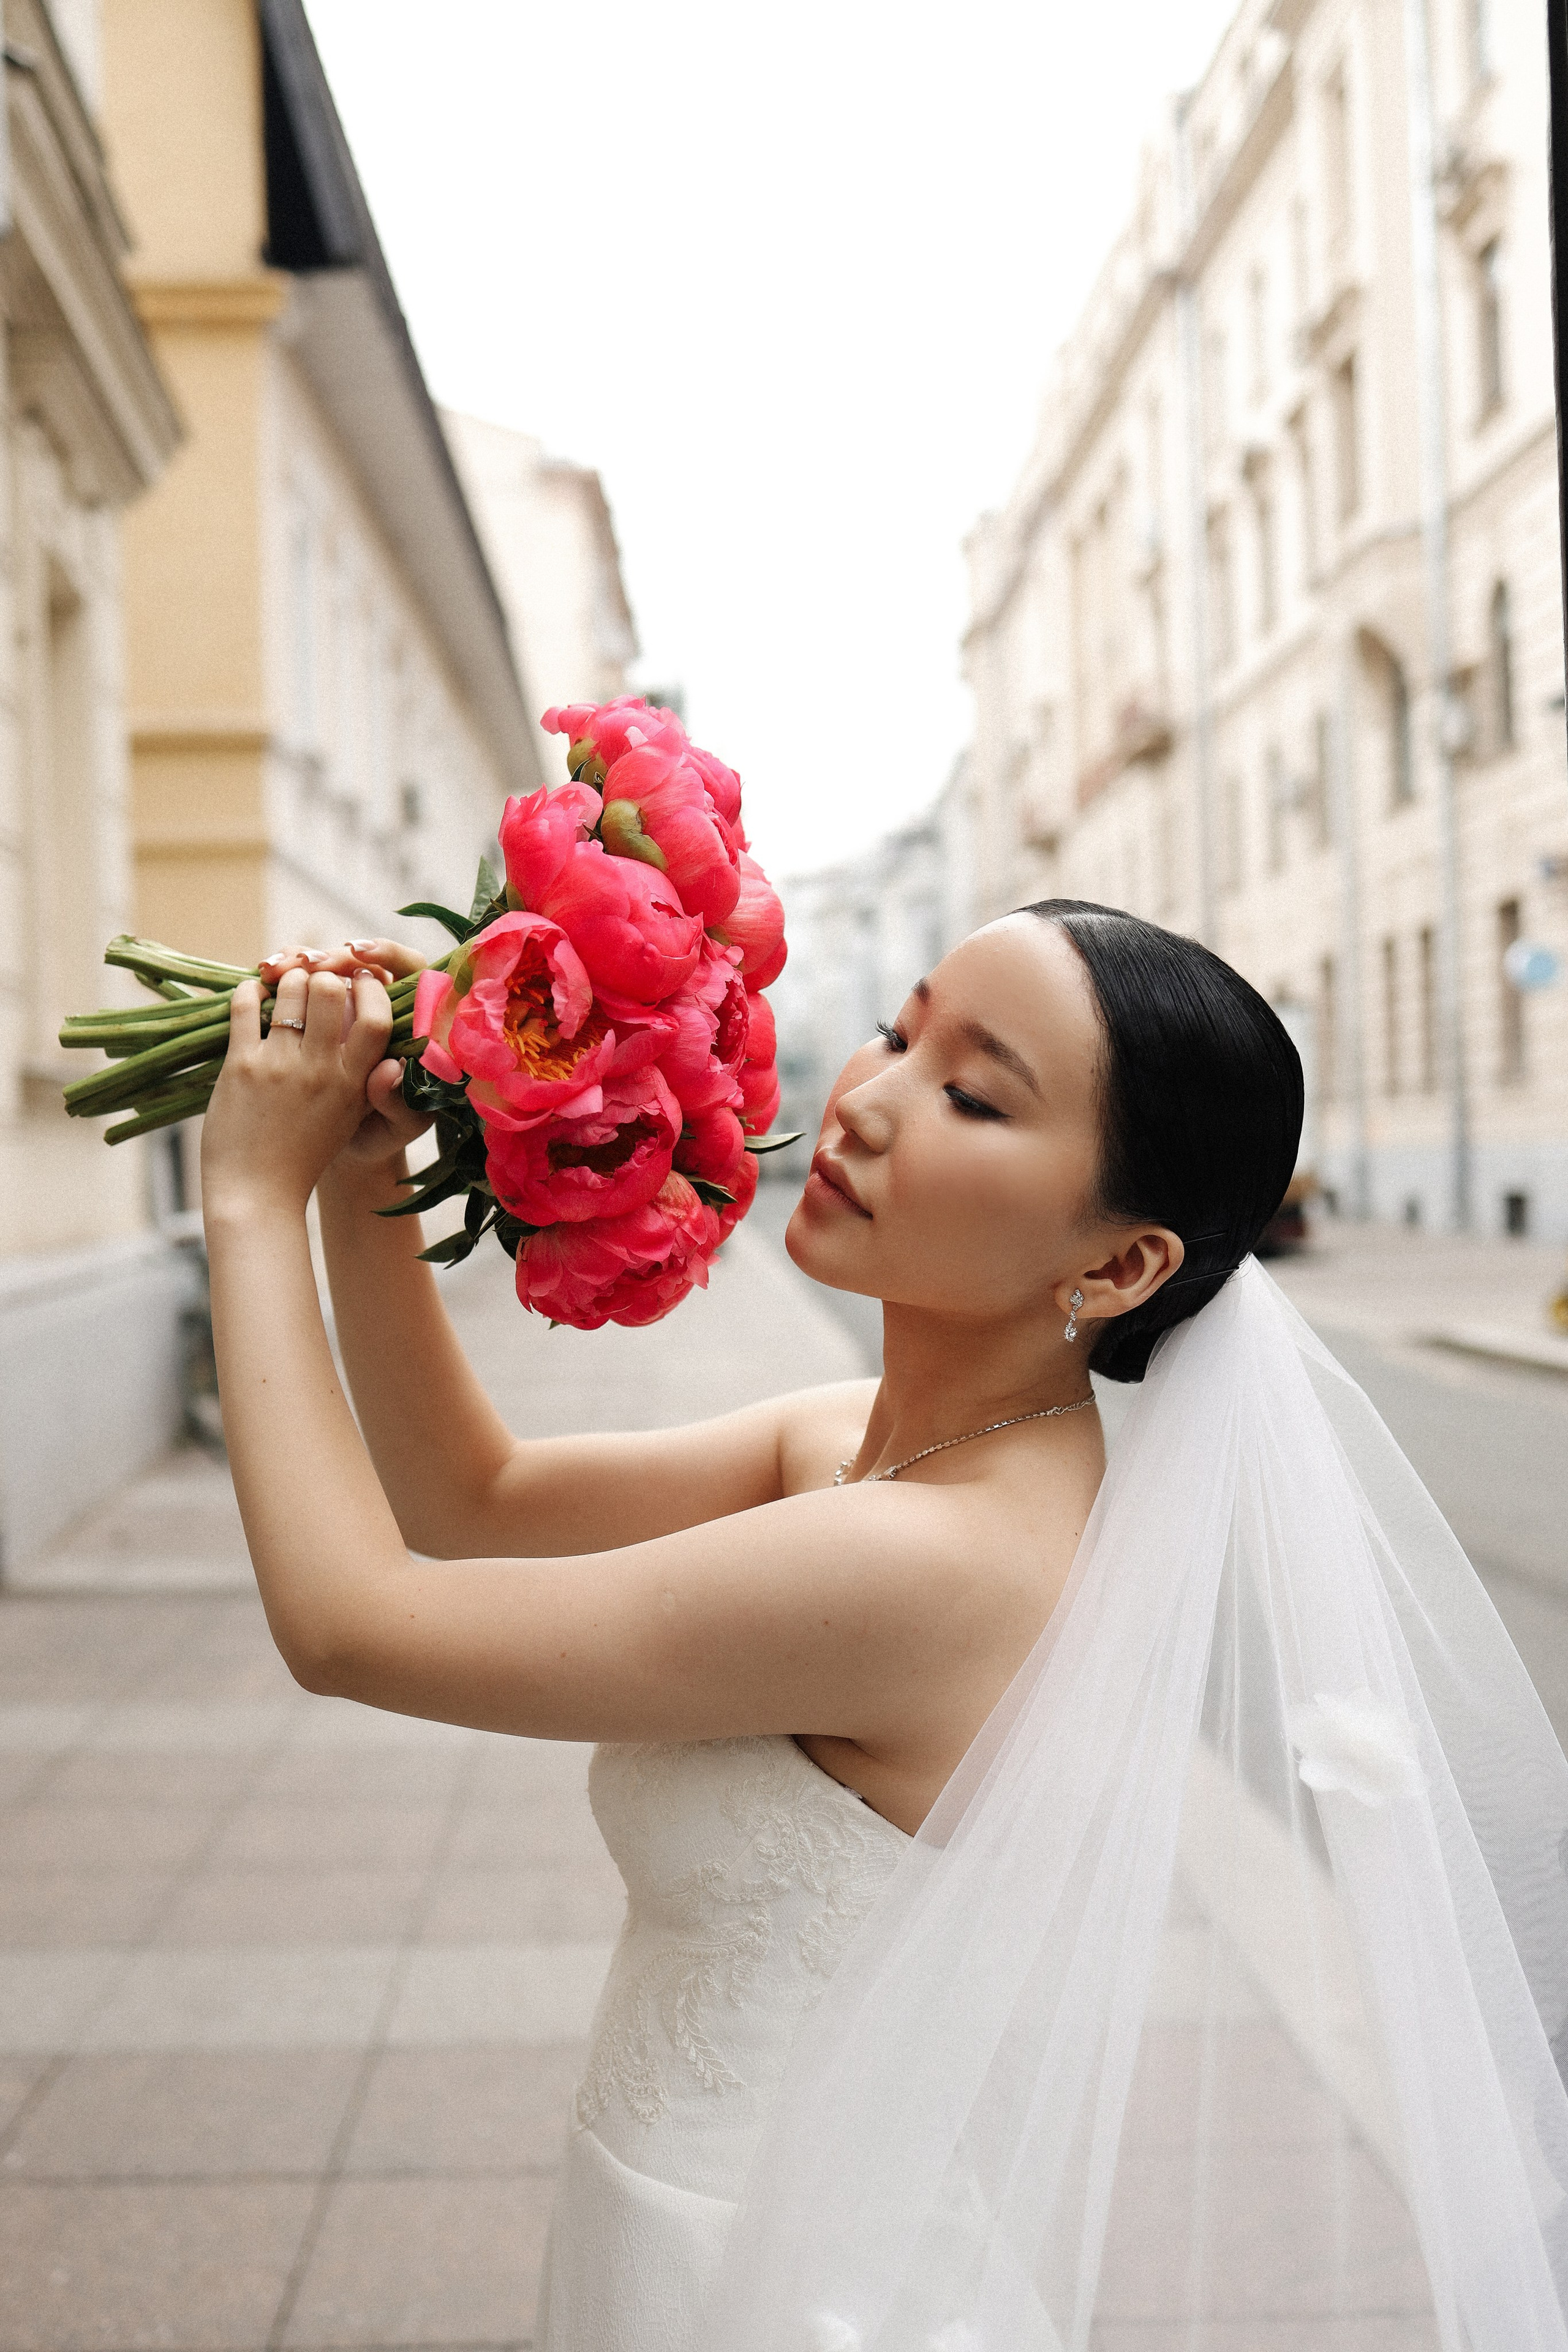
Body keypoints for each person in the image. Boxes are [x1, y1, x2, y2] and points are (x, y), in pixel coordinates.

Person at [202, 902, 1568, 2352]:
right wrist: (364, 1178)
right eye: (900, 1033)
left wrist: (243, 1201)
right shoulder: (871, 1440)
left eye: (971, 1094)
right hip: (699, 2224)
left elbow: (351, 1627)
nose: (863, 1101)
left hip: (777, 2289)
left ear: (1118, 1268)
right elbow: (471, 1499)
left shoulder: (933, 1559)